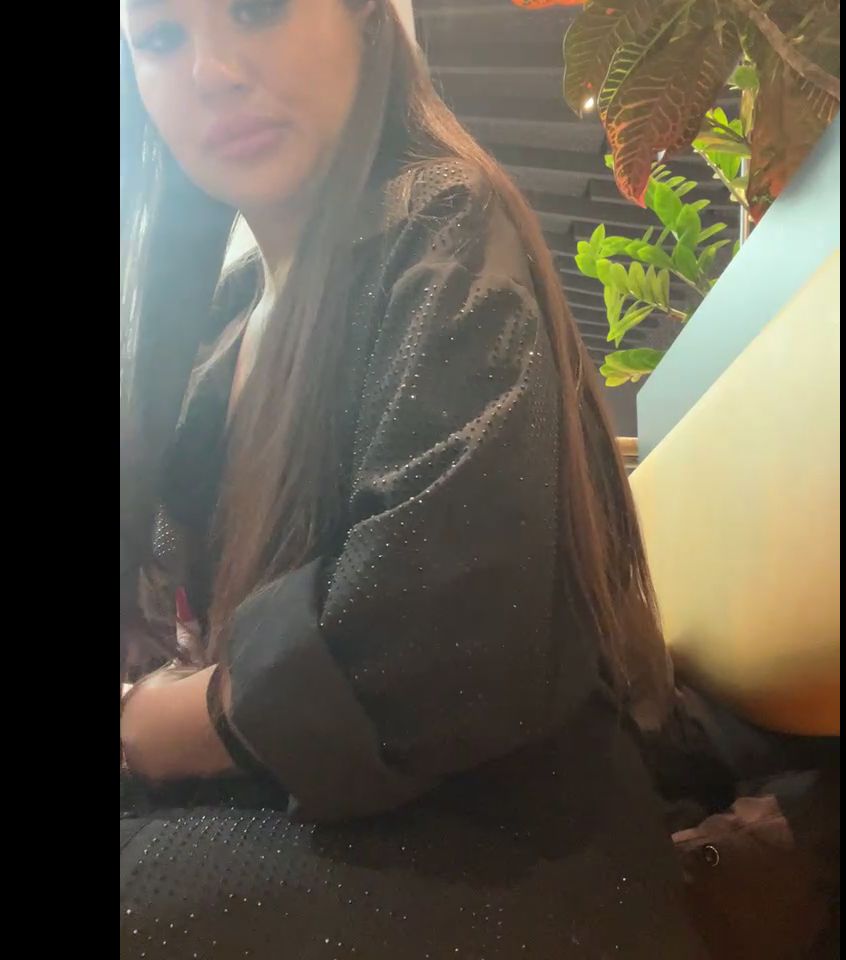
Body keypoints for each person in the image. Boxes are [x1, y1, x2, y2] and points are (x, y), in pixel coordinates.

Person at [120, 0, 711, 956]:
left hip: (504, 848)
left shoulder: (441, 219)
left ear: (363, 16)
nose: (211, 72)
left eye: (257, 9)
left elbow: (443, 634)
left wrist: (164, 722)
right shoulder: (221, 321)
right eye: (159, 38)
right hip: (318, 811)